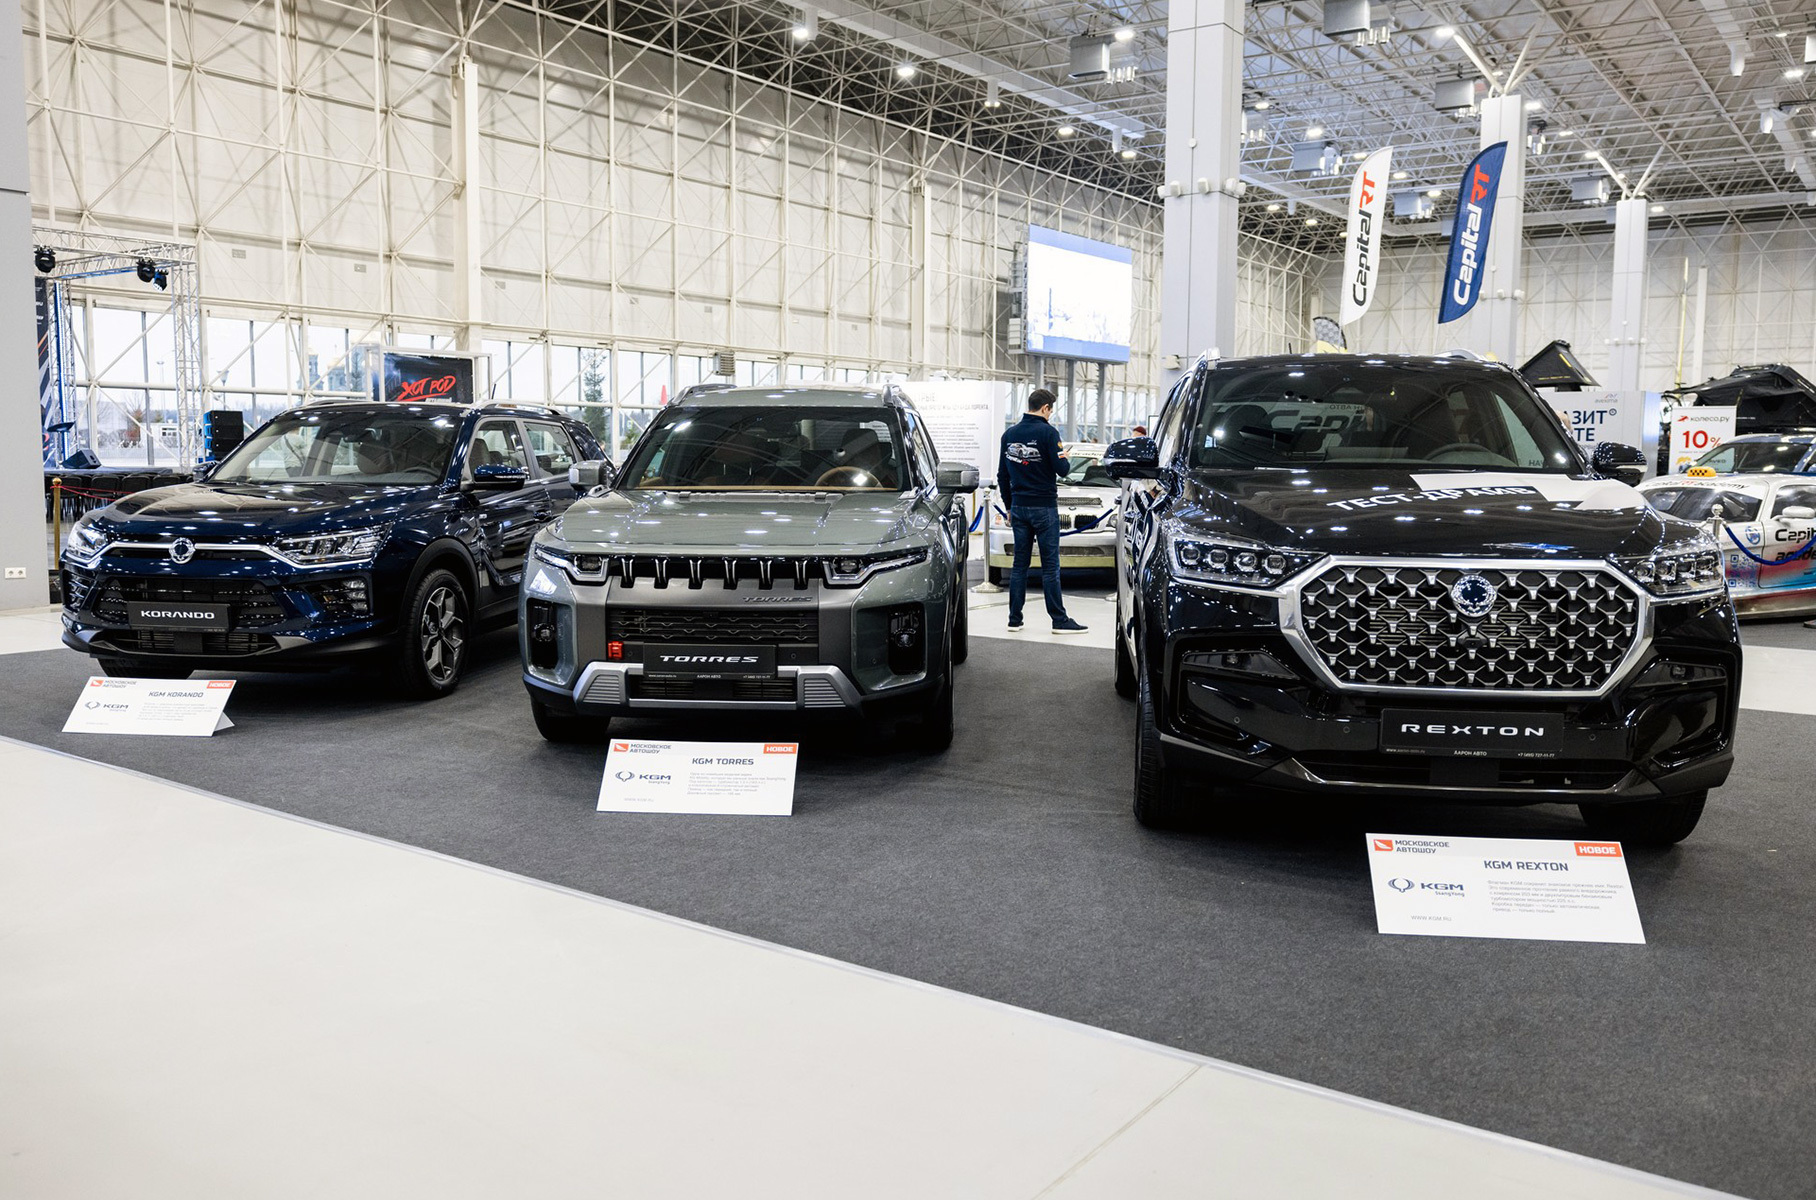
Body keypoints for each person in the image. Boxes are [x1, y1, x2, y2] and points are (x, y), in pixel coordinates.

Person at [998, 388, 1088, 634]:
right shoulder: (1049, 433)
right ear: (1045, 408)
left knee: (1019, 565)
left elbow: (1002, 475)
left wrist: (1008, 506)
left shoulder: (1009, 435)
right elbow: (1063, 470)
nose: (1050, 414)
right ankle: (1059, 620)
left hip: (1018, 507)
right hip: (1044, 507)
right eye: (1051, 410)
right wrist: (1065, 456)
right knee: (1050, 567)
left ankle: (1014, 619)